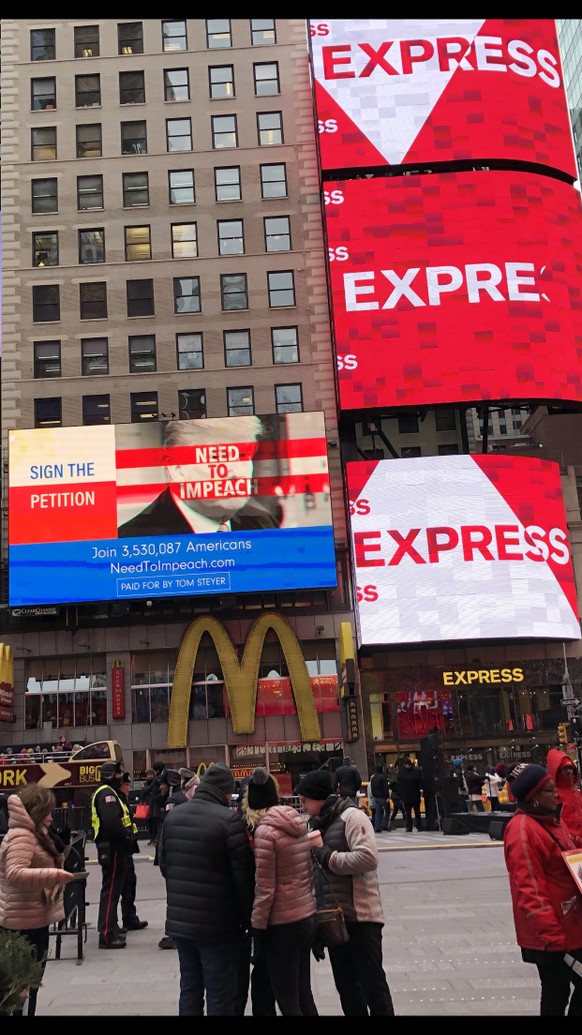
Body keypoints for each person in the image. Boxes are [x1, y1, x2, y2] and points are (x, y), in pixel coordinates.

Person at [295, 768, 395, 1016]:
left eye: (305, 799)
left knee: (373, 986)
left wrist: (327, 855)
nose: (303, 804)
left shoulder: (352, 817)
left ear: (318, 797)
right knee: (347, 988)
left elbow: (368, 858)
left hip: (361, 917)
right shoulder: (316, 824)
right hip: (334, 920)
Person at [158, 762, 255, 1015]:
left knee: (189, 988)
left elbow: (165, 866)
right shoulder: (229, 820)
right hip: (219, 926)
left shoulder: (173, 817)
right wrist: (249, 921)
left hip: (182, 923)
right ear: (225, 792)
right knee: (220, 993)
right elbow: (243, 878)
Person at [502, 761, 582, 1015]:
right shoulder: (523, 830)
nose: (556, 793)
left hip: (569, 925)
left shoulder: (550, 821)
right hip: (552, 933)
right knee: (556, 991)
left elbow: (570, 849)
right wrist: (552, 937)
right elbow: (529, 890)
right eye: (549, 790)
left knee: (556, 991)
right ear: (533, 797)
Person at [0, 784, 87, 1015]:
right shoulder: (22, 836)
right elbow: (15, 872)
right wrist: (55, 875)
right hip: (23, 925)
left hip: (31, 917)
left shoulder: (34, 833)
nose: (51, 816)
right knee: (21, 987)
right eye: (47, 811)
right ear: (36, 810)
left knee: (29, 986)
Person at [117, 416, 282, 537]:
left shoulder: (263, 524)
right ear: (177, 468)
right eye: (216, 457)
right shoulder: (133, 538)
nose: (236, 473)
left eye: (242, 455)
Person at [244, 767, 318, 1016]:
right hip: (305, 915)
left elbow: (265, 887)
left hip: (282, 923)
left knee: (286, 997)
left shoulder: (266, 832)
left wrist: (257, 928)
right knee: (302, 991)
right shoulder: (296, 823)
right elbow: (308, 874)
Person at [90, 760, 134, 949]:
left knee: (114, 891)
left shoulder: (109, 792)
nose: (120, 777)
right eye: (118, 774)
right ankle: (107, 934)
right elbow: (111, 822)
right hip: (114, 848)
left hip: (115, 848)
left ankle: (112, 927)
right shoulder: (107, 794)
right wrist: (125, 837)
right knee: (110, 891)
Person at [117, 772, 148, 934]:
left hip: (127, 849)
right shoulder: (113, 799)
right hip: (120, 850)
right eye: (126, 785)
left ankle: (130, 918)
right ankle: (118, 922)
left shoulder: (121, 799)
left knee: (129, 885)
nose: (128, 788)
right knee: (120, 887)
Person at [546, 749, 582, 839]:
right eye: (565, 769)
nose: (569, 772)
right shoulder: (554, 796)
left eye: (570, 768)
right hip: (570, 845)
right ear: (557, 771)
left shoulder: (577, 793)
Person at [398, 757, 423, 832]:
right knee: (416, 812)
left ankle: (409, 827)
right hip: (415, 795)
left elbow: (399, 782)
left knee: (408, 813)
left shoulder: (401, 773)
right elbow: (419, 782)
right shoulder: (416, 772)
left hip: (406, 796)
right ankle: (419, 826)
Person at [140, 766, 161, 845]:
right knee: (149, 824)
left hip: (154, 806)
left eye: (150, 775)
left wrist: (144, 788)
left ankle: (155, 838)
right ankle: (152, 838)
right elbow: (143, 794)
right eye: (148, 775)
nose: (149, 776)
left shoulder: (155, 783)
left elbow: (149, 790)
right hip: (147, 806)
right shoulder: (145, 783)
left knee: (155, 823)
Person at [370, 764, 390, 834]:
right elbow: (385, 788)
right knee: (387, 811)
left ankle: (377, 827)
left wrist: (374, 795)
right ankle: (385, 824)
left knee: (378, 812)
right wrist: (387, 797)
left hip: (376, 797)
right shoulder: (383, 777)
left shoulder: (373, 778)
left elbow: (372, 788)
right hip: (383, 797)